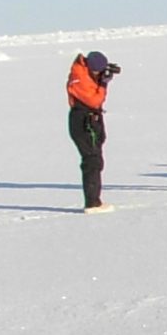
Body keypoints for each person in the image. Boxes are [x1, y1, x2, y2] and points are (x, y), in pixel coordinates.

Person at [66, 50, 119, 213]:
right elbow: (94, 100)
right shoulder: (79, 77)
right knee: (92, 160)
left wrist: (103, 75)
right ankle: (92, 203)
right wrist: (103, 84)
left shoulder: (85, 71)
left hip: (90, 119)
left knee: (95, 157)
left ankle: (94, 200)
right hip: (83, 121)